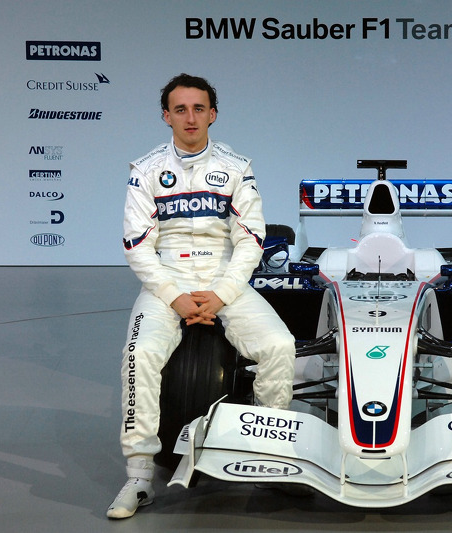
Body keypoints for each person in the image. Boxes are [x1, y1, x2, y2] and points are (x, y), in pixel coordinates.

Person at [107, 73, 296, 519]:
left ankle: (268, 456)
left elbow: (250, 238)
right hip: (166, 279)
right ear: (166, 116)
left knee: (279, 346)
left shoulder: (236, 167)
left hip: (223, 276)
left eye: (198, 109)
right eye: (180, 109)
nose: (189, 118)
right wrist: (174, 296)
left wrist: (222, 293)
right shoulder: (145, 170)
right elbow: (137, 245)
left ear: (213, 114)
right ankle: (139, 476)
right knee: (139, 355)